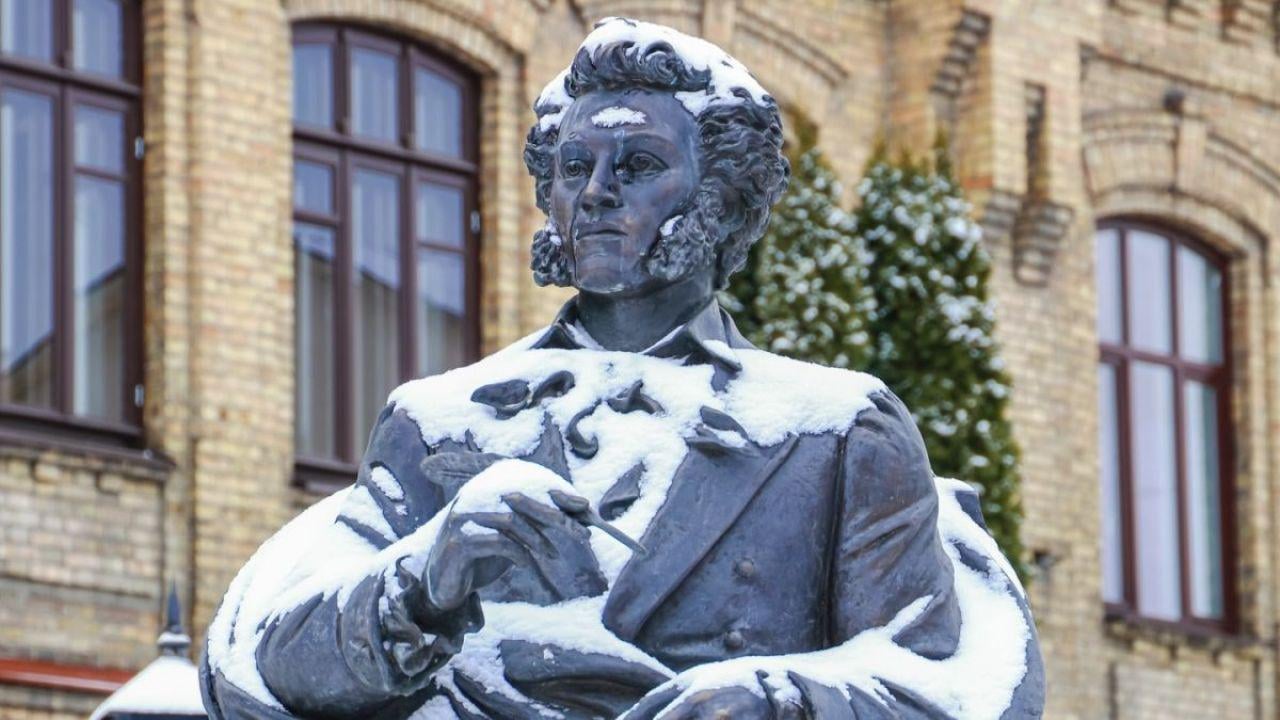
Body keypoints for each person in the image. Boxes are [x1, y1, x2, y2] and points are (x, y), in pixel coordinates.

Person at [201, 17, 1044, 720]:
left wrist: (775, 697)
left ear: (722, 199)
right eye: (575, 168)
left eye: (638, 166)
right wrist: (427, 574)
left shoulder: (835, 428)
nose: (596, 192)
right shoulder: (439, 420)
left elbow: (942, 686)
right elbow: (275, 659)